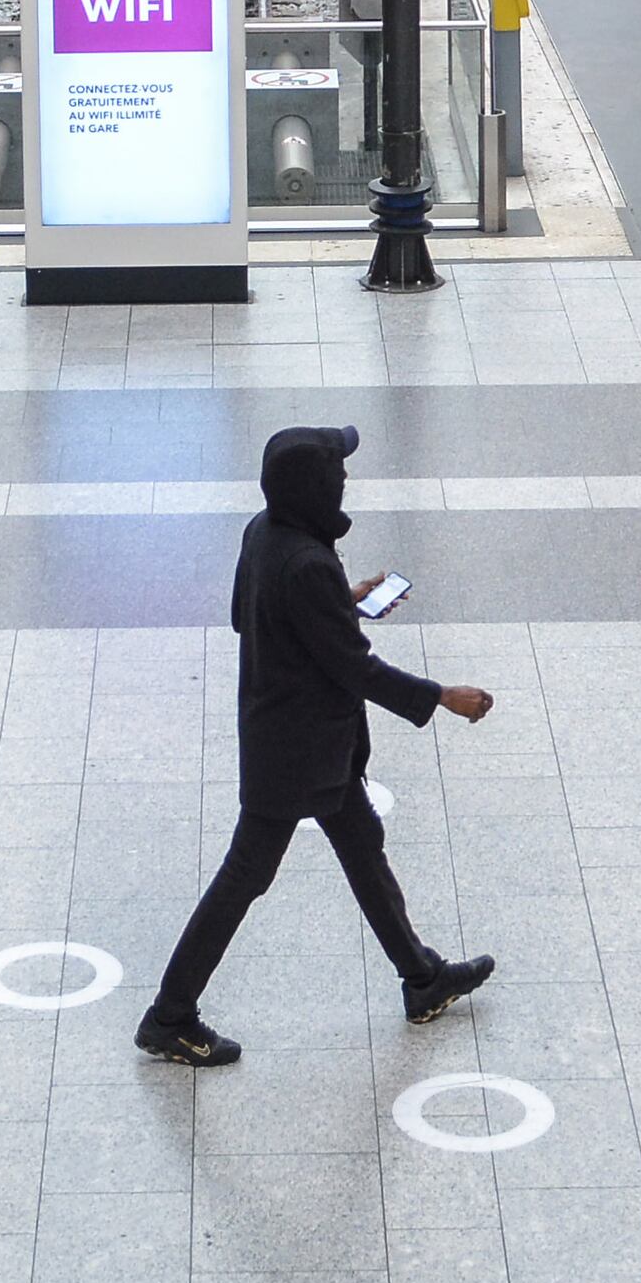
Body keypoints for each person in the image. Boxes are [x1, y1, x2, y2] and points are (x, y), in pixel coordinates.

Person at [136, 423, 494, 1068]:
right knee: (243, 879)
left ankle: (422, 978)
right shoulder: (306, 561)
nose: (346, 478)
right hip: (298, 754)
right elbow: (355, 668)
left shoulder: (265, 532)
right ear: (314, 485)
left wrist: (340, 602)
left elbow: (253, 615)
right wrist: (442, 696)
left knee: (363, 851)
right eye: (338, 471)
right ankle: (169, 1016)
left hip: (298, 744)